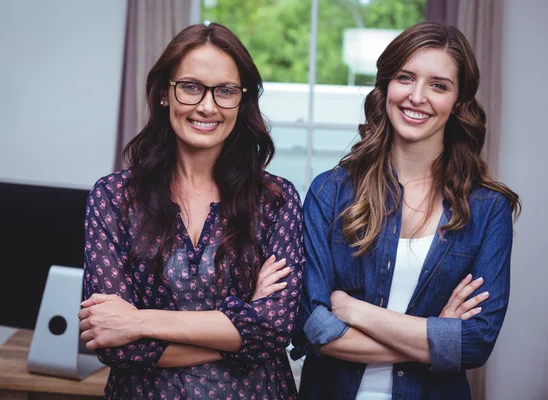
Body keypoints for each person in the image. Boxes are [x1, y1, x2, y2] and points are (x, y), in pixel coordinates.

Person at [292, 20, 521, 400]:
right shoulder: (330, 192)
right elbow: (311, 328)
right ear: (385, 87)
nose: (417, 96)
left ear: (458, 102)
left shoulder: (488, 209)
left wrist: (353, 310)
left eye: (438, 85)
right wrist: (437, 339)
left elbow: (476, 344)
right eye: (405, 77)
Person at [77, 23, 304, 399]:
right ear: (166, 93)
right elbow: (114, 343)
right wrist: (241, 330)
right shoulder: (114, 198)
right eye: (191, 87)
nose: (207, 106)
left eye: (226, 91)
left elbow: (276, 328)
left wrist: (137, 320)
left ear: (242, 100)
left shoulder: (275, 200)